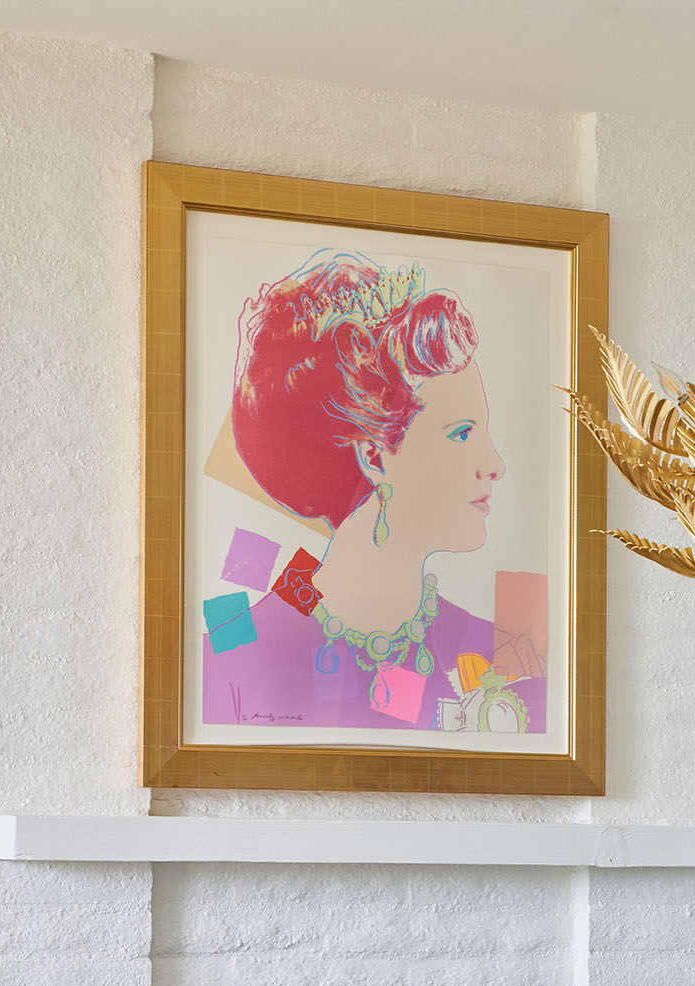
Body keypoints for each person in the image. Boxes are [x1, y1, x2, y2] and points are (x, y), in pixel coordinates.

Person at [203, 251, 541, 734]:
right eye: (463, 433)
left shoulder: (506, 663)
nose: (496, 465)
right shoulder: (230, 664)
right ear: (375, 459)